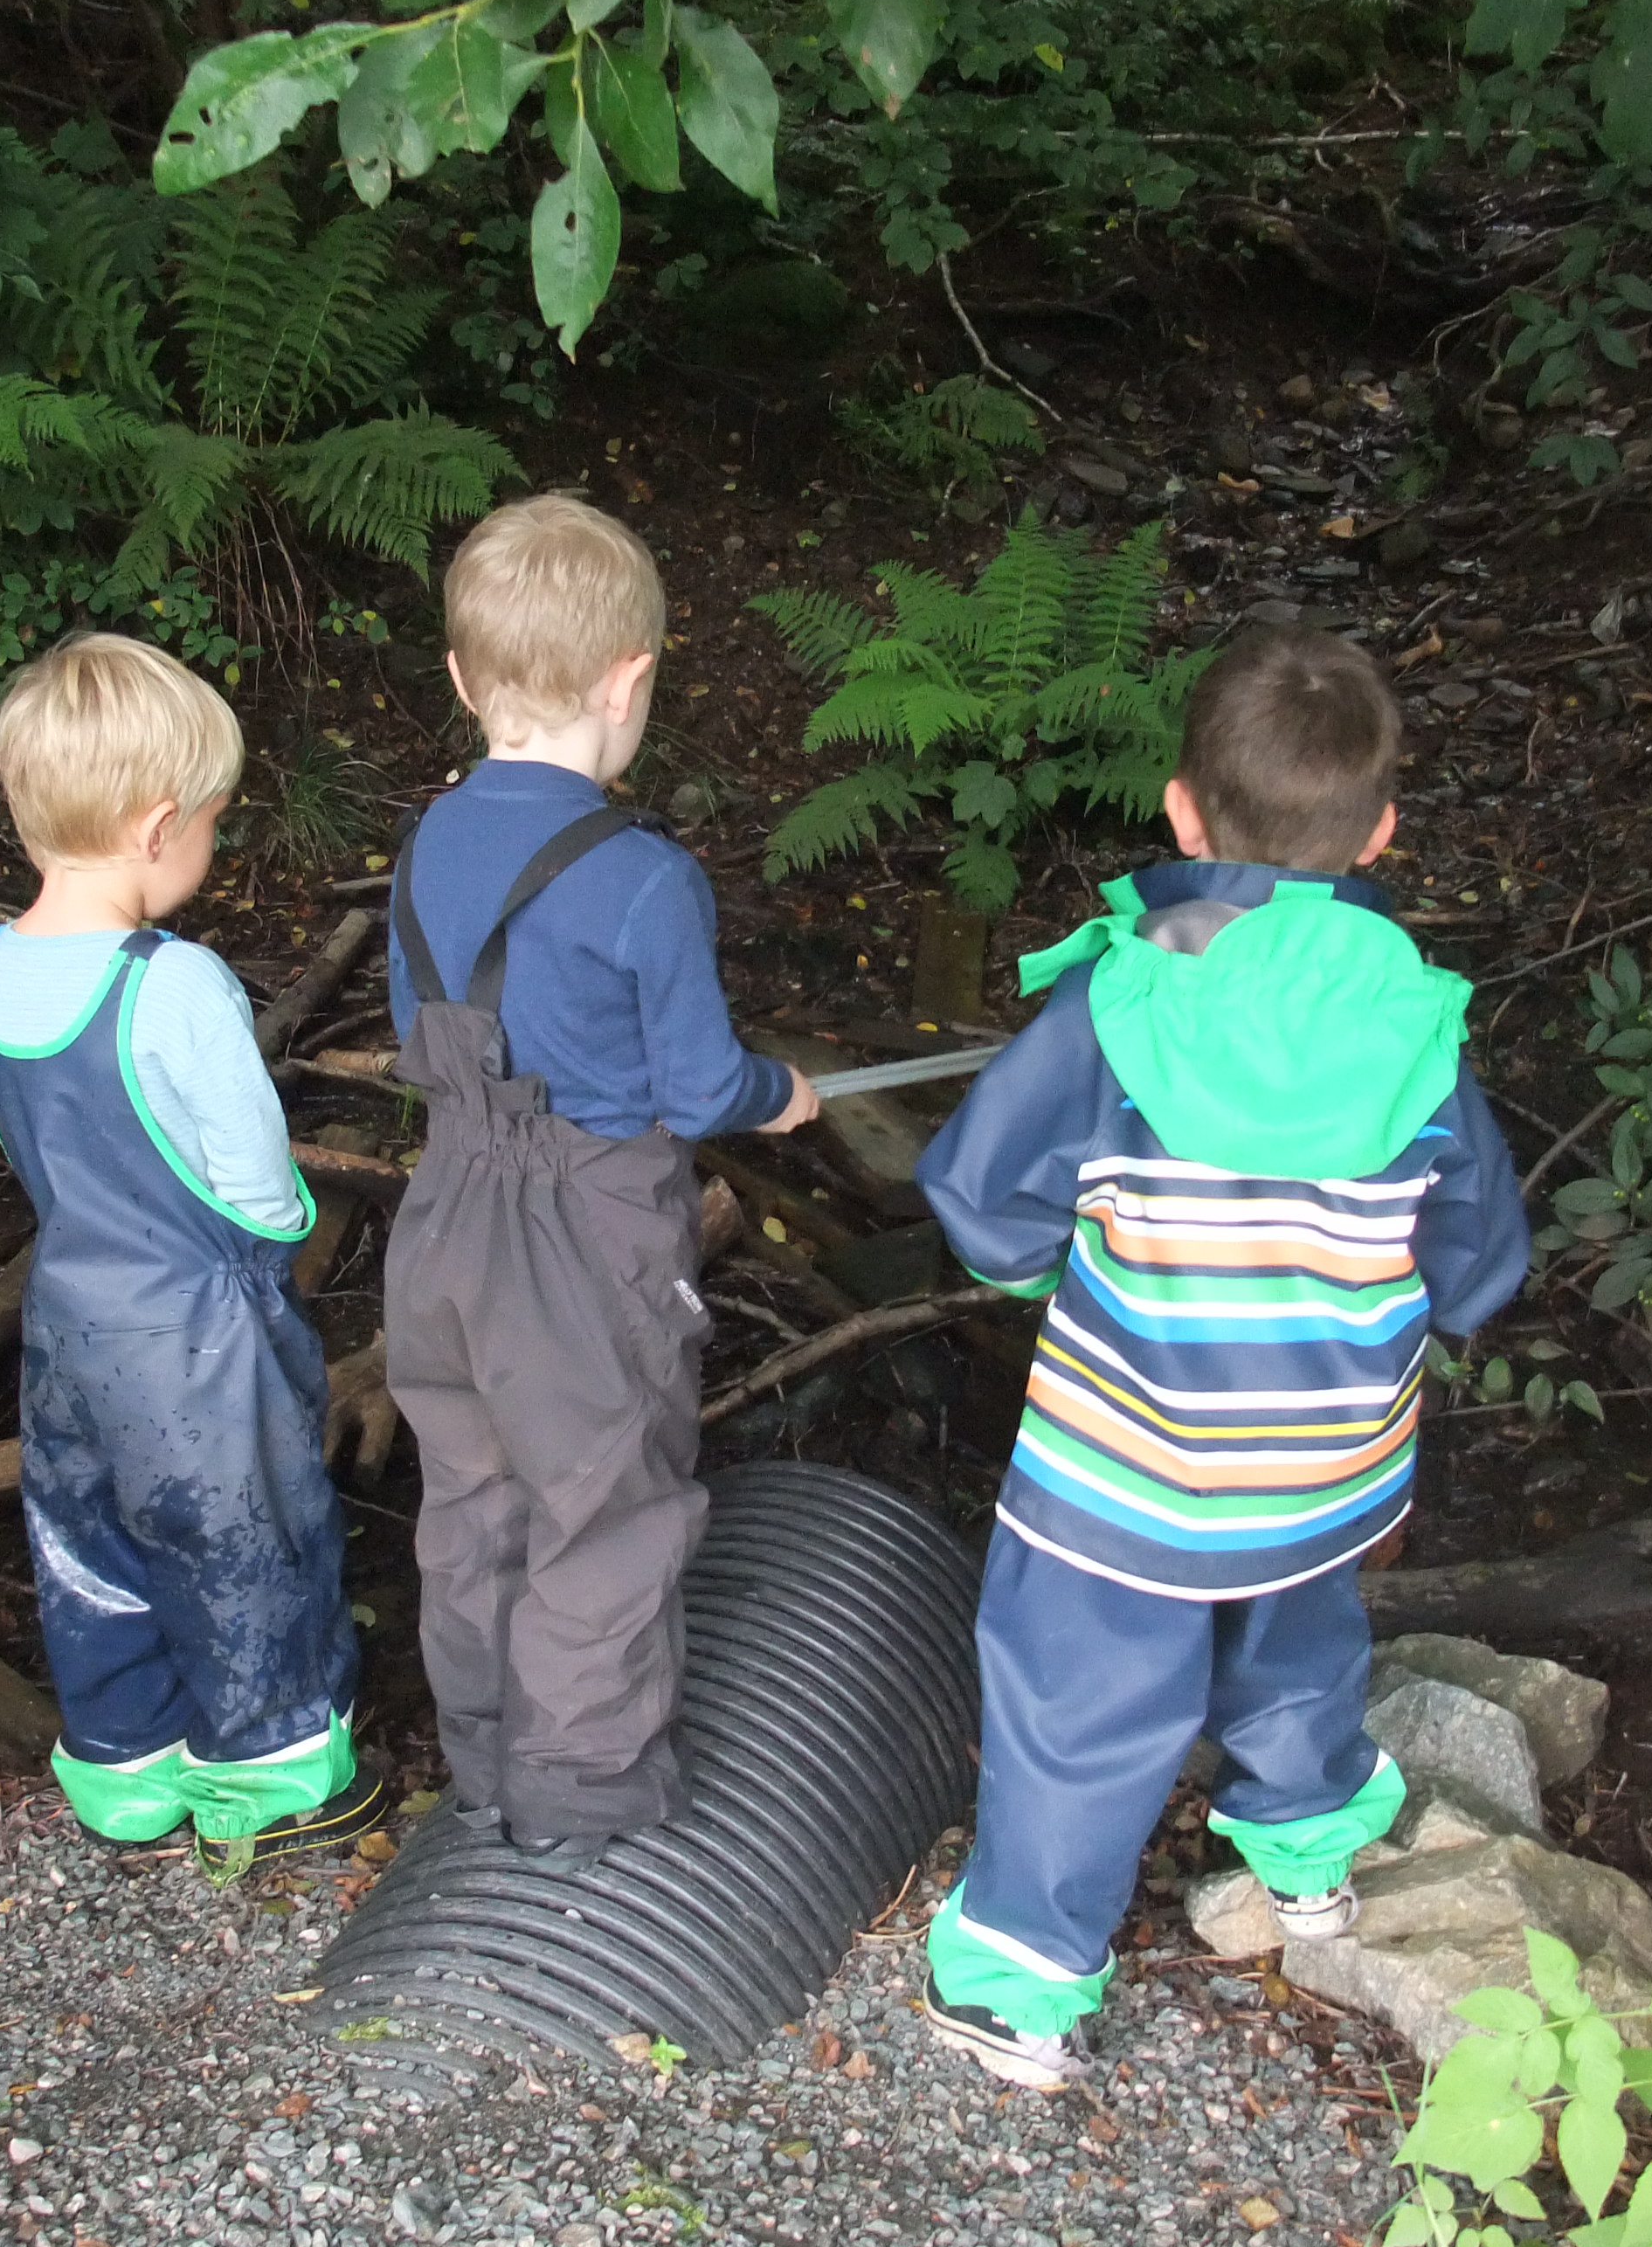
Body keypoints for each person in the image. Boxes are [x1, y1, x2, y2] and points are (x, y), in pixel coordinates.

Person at [910, 625, 1531, 2089]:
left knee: (1082, 1696)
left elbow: (981, 1201)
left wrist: (1037, 1270)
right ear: (1378, 833)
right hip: (1327, 1461)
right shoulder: (1418, 1034)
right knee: (1298, 1638)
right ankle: (1310, 1852)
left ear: (1182, 812)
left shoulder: (1119, 1007)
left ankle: (1023, 1988)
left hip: (1129, 1470)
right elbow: (1481, 1263)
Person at [384, 494, 821, 1868]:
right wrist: (780, 1094)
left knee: (470, 1500)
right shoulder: (644, 878)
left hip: (442, 1221)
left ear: (463, 680)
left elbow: (422, 1035)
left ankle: (483, 1768)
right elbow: (698, 1090)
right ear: (631, 681)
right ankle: (580, 1804)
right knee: (606, 1510)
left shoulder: (427, 841)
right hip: (583, 1240)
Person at [0, 632, 391, 1864]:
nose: (212, 844)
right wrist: (285, 1234)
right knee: (246, 1538)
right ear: (156, 829)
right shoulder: (174, 982)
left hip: (70, 1316)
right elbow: (251, 1172)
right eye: (212, 823)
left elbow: (32, 1142)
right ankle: (275, 1777)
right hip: (197, 1326)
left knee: (87, 1537)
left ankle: (129, 1778)